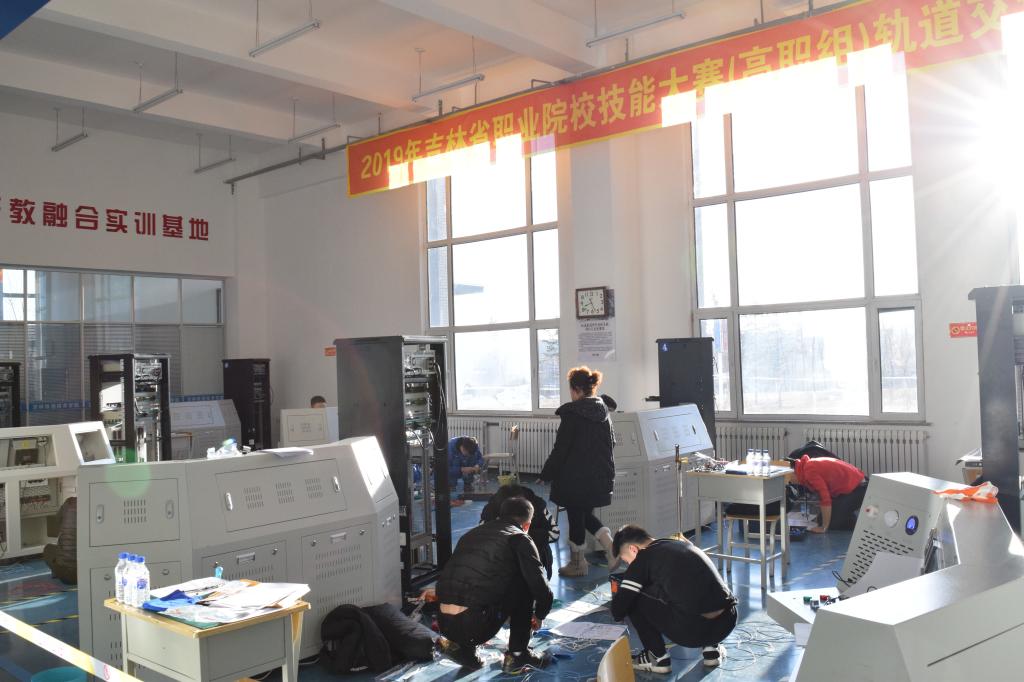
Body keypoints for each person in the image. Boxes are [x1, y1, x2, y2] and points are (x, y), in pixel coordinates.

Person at [435, 497, 554, 673]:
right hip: (475, 626)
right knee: (524, 581)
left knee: (474, 583)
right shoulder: (519, 538)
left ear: (501, 515)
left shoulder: (471, 534)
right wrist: (540, 614)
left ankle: (466, 651)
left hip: (444, 624)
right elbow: (541, 588)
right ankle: (518, 655)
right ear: (527, 524)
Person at [611, 525, 737, 672]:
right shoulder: (679, 544)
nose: (629, 565)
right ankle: (712, 650)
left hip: (693, 632)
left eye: (626, 561)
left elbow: (618, 610)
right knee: (689, 589)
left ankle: (657, 658)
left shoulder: (643, 557)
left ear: (633, 549)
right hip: (727, 621)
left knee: (633, 597)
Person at [539, 366, 616, 576]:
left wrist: (546, 474)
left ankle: (578, 564)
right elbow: (612, 443)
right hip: (600, 476)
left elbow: (561, 449)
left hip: (575, 478)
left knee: (575, 515)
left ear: (576, 389)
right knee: (583, 514)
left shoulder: (572, 414)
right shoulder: (604, 412)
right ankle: (610, 548)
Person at [480, 483, 556, 578]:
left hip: (533, 553)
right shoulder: (491, 508)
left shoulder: (538, 505)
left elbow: (554, 534)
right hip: (501, 556)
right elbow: (483, 535)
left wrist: (523, 536)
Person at [789, 455, 867, 532]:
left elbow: (825, 498)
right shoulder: (806, 466)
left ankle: (860, 525)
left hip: (859, 488)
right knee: (820, 520)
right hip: (851, 488)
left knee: (831, 524)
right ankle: (846, 514)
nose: (789, 481)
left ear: (792, 471)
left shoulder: (809, 470)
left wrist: (824, 527)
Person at [42, 497, 77, 584]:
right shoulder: (92, 504)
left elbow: (57, 522)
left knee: (48, 548)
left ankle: (55, 572)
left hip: (65, 575)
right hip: (85, 573)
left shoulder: (69, 502)